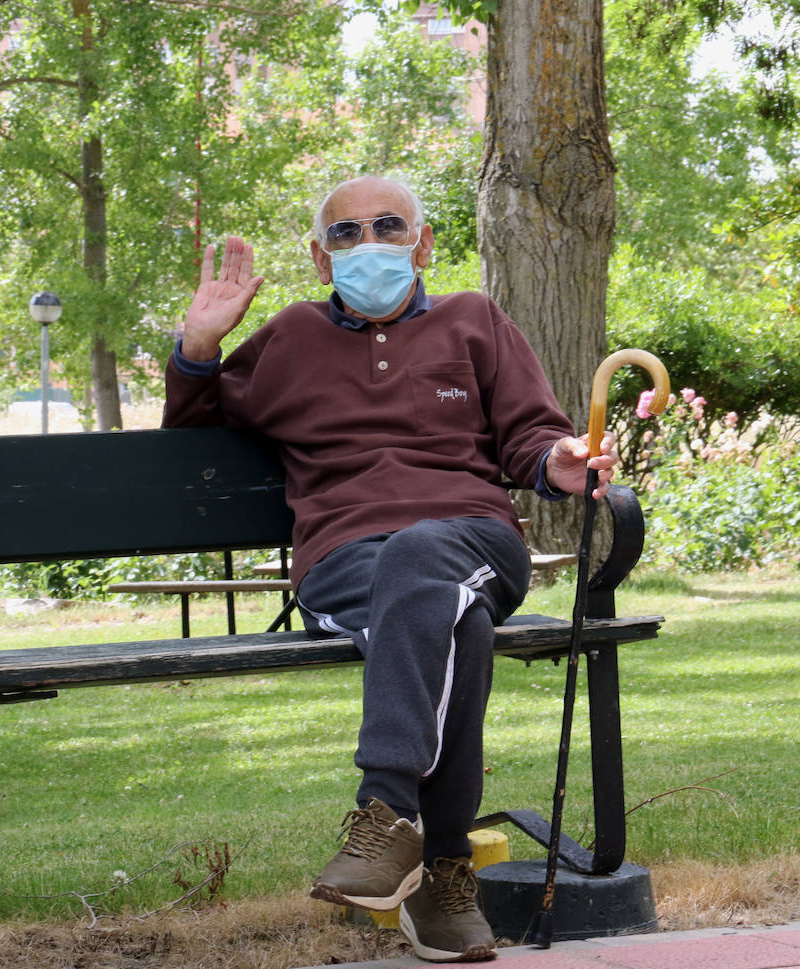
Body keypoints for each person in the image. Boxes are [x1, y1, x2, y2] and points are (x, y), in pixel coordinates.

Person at [163, 176, 618, 963]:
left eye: (387, 226)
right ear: (318, 255)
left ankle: (384, 809)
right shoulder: (290, 338)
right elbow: (190, 438)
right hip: (344, 558)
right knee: (456, 626)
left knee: (427, 560)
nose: (366, 242)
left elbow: (530, 436)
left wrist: (559, 461)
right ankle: (443, 870)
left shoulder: (474, 320)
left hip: (472, 537)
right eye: (345, 233)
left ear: (424, 241)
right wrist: (201, 345)